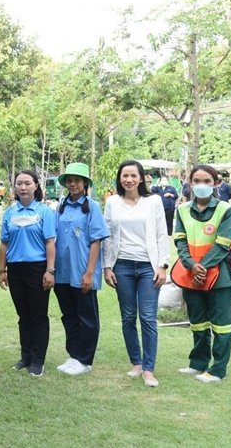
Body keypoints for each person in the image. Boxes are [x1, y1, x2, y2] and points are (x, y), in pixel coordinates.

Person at [103, 160, 169, 388]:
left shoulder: (153, 201)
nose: (128, 179)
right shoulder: (112, 202)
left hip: (148, 267)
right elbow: (108, 235)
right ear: (119, 179)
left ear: (141, 178)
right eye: (124, 176)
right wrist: (107, 266)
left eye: (133, 175)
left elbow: (162, 234)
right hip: (122, 266)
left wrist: (163, 265)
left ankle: (149, 369)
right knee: (128, 316)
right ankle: (136, 362)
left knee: (148, 317)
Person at [173, 164, 231, 383]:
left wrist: (200, 267)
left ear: (216, 184)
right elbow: (180, 241)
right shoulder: (182, 210)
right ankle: (198, 363)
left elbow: (223, 245)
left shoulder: (226, 210)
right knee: (198, 323)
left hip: (219, 277)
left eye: (207, 181)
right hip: (191, 275)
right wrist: (192, 265)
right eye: (197, 181)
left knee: (221, 325)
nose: (201, 185)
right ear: (190, 184)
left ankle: (217, 370)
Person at [0, 170, 56, 378]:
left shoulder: (44, 211)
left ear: (36, 186)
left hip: (38, 268)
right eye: (19, 183)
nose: (23, 187)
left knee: (38, 315)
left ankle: (38, 359)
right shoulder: (10, 214)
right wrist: (2, 270)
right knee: (23, 315)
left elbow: (50, 242)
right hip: (15, 269)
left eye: (27, 183)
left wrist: (50, 270)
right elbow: (4, 244)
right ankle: (26, 356)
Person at [53, 163, 109, 376]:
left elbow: (96, 241)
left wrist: (89, 273)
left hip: (83, 272)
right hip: (63, 272)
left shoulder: (92, 207)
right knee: (69, 315)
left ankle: (85, 359)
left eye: (77, 180)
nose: (73, 183)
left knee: (86, 316)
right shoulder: (62, 206)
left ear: (85, 183)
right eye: (69, 180)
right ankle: (73, 355)